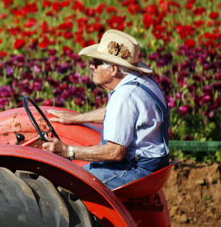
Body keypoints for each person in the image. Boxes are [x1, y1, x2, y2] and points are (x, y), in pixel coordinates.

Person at [42, 29, 170, 189]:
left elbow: (115, 152)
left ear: (114, 69)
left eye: (96, 62)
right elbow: (122, 115)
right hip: (153, 164)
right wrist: (75, 118)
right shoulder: (143, 82)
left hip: (135, 169)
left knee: (66, 186)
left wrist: (68, 151)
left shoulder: (124, 96)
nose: (91, 66)